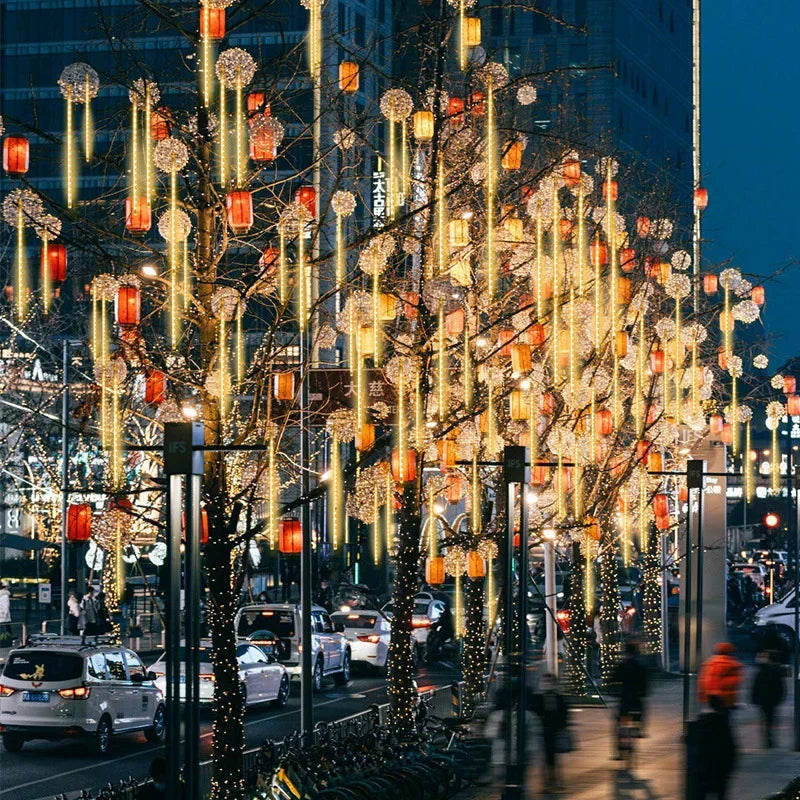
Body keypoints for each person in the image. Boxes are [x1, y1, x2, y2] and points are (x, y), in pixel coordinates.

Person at [610, 641, 649, 758]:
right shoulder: (641, 667)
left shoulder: (622, 665)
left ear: (626, 653)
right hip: (636, 702)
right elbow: (646, 685)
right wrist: (643, 692)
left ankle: (619, 750)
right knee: (641, 714)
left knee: (620, 724)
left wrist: (615, 692)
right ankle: (639, 729)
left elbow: (613, 680)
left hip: (625, 702)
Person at [532, 673, 569, 791]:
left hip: (554, 730)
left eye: (550, 682)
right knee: (546, 758)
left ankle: (555, 780)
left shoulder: (558, 698)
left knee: (553, 758)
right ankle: (548, 782)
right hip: (543, 731)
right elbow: (536, 713)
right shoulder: (539, 698)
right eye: (546, 682)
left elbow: (564, 714)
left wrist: (562, 726)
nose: (547, 684)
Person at [696, 695, 737, 799]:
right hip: (720, 770)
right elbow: (731, 748)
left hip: (705, 768)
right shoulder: (723, 724)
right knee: (720, 794)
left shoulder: (703, 723)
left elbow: (698, 746)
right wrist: (730, 768)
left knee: (702, 793)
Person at [751, 649, 785, 748]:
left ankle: (767, 738)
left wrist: (754, 699)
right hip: (773, 699)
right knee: (771, 719)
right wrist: (780, 698)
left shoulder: (761, 671)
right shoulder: (776, 671)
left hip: (763, 699)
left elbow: (755, 686)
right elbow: (780, 687)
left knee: (765, 719)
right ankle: (770, 738)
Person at [697, 642, 743, 710]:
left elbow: (702, 681)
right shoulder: (733, 665)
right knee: (723, 716)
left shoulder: (709, 663)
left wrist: (702, 696)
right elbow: (734, 683)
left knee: (716, 715)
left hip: (711, 696)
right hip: (727, 699)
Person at [0, 582, 11, 646]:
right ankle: (7, 642)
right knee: (7, 630)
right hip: (4, 616)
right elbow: (5, 606)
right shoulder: (5, 596)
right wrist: (6, 615)